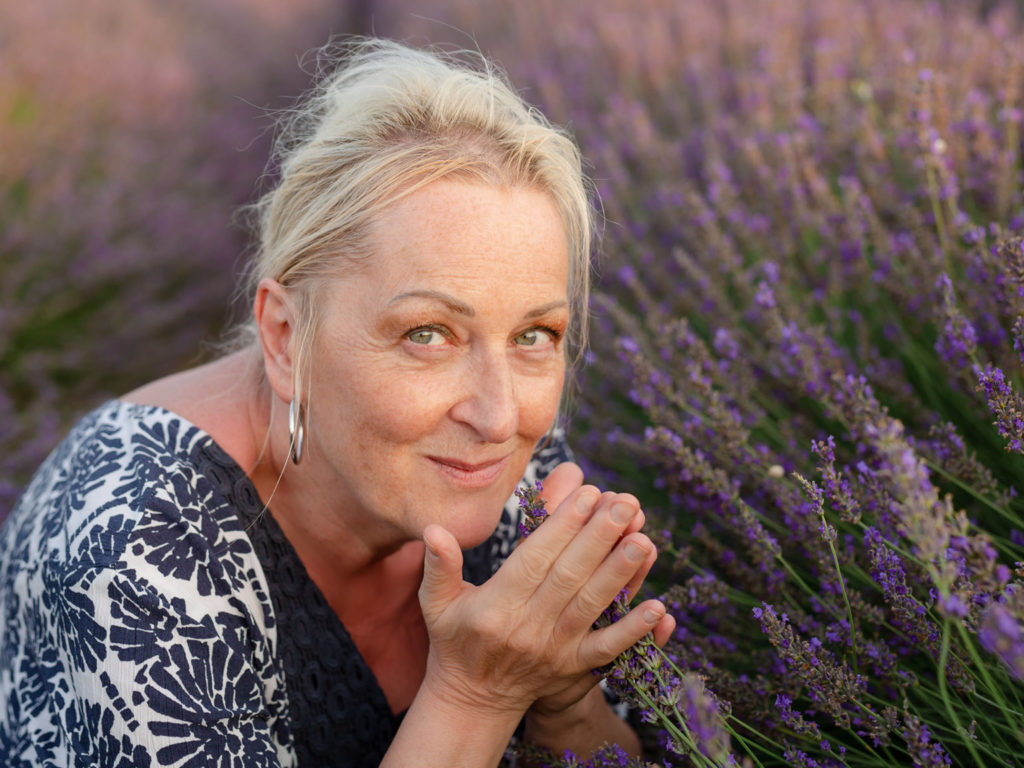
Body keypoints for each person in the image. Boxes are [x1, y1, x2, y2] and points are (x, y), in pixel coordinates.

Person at [0, 38, 674, 767]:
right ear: (286, 338)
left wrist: (565, 702)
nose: (500, 416)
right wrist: (478, 694)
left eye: (533, 335)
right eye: (428, 333)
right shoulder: (135, 547)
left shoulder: (511, 467)